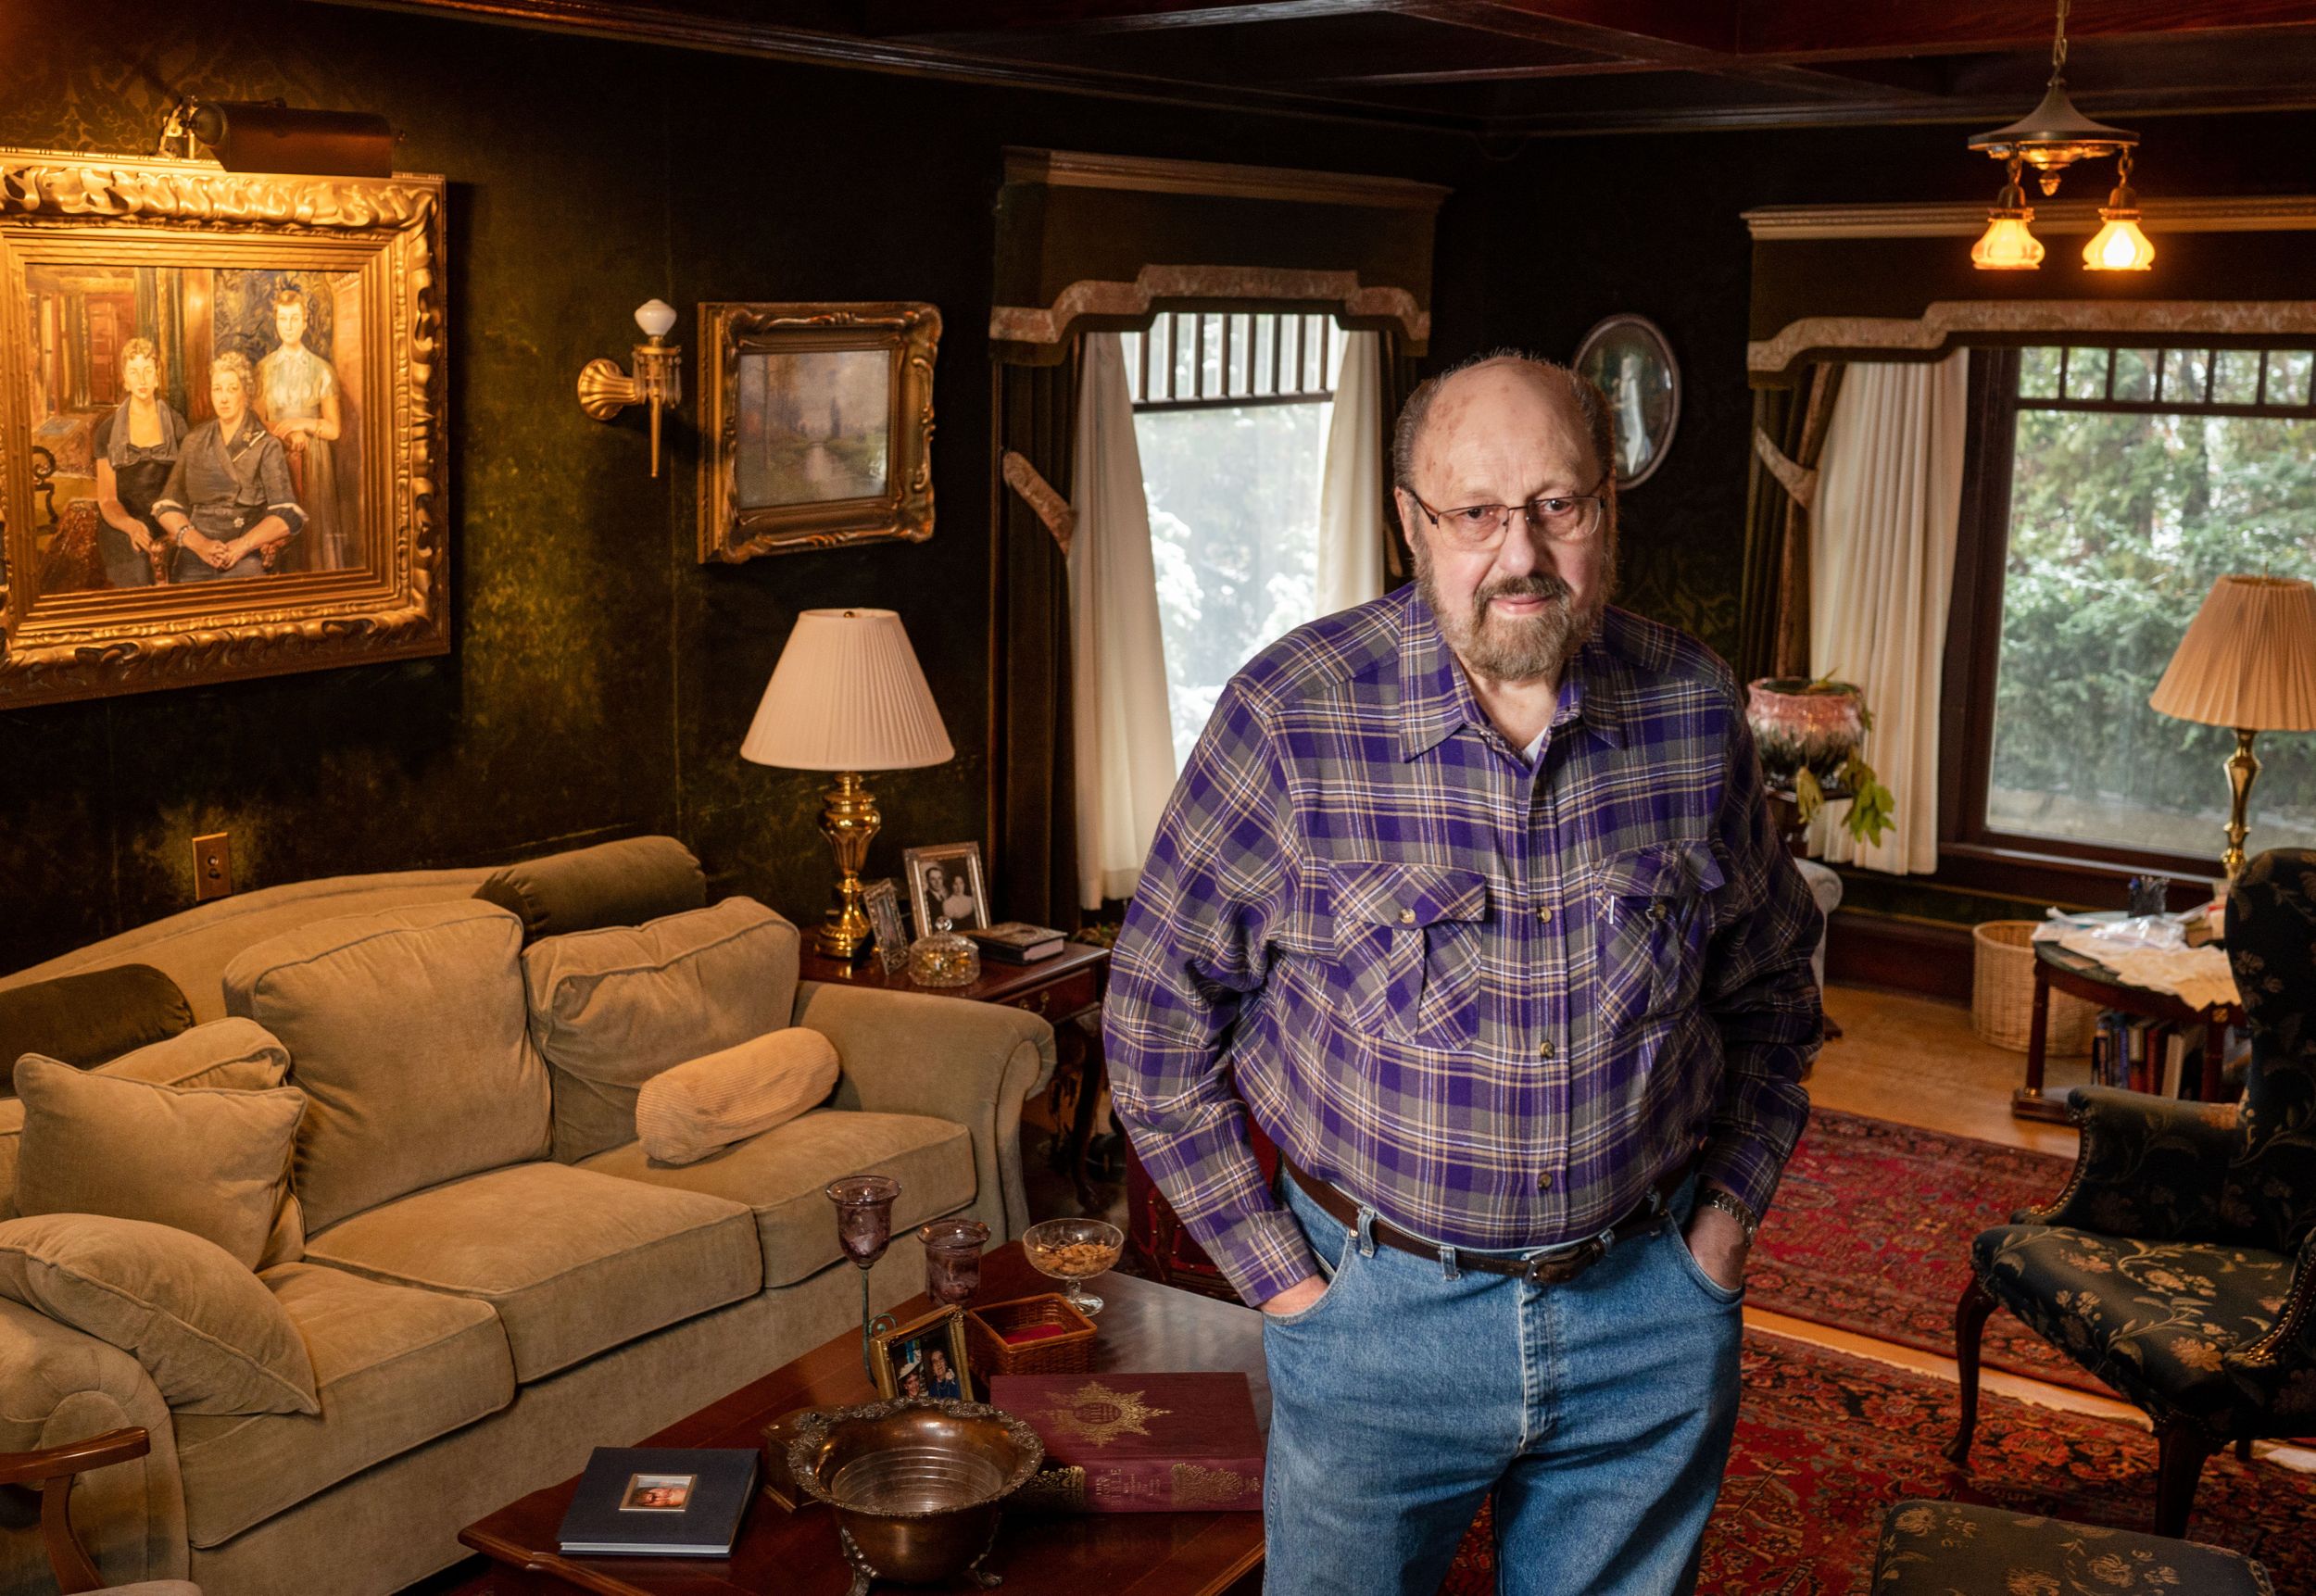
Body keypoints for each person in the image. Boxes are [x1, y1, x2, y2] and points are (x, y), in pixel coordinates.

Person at [1105, 351, 1821, 1596]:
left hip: (1645, 1313)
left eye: (1560, 503)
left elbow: (1770, 991)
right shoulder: (1293, 715)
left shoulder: (1695, 709)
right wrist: (1284, 1283)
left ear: (1610, 503)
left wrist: (1720, 1234)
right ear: (1409, 523)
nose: (1522, 551)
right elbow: (1156, 1017)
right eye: (1475, 512)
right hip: (1375, 1321)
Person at [152, 352, 305, 584]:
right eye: (217, 389)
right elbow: (167, 506)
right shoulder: (194, 441)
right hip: (195, 554)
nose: (223, 398)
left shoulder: (265, 445)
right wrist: (199, 544)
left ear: (246, 394)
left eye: (232, 389)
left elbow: (286, 515)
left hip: (247, 556)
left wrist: (241, 546)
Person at [255, 286, 350, 571]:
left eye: (295, 318)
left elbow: (333, 430)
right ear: (275, 322)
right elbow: (257, 423)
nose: (289, 325)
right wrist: (287, 433)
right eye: (283, 319)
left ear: (306, 321)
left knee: (314, 534)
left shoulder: (322, 370)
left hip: (315, 462)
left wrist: (302, 424)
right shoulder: (263, 369)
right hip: (277, 459)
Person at [91, 338, 187, 588]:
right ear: (125, 378)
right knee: (137, 575)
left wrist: (172, 530)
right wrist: (130, 526)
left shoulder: (176, 424)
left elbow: (185, 491)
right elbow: (107, 500)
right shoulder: (107, 431)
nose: (142, 380)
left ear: (158, 376)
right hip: (123, 522)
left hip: (169, 520)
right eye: (134, 372)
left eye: (148, 371)